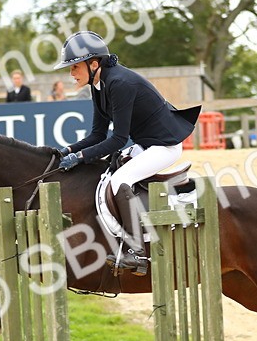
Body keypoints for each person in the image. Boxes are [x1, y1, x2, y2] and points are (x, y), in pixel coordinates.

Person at [55, 31, 200, 275]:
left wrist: (79, 158)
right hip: (146, 144)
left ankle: (138, 253)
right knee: (109, 172)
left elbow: (118, 139)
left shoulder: (119, 83)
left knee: (120, 180)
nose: (71, 73)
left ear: (94, 63)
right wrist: (67, 151)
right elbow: (97, 135)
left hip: (165, 146)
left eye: (74, 67)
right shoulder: (98, 85)